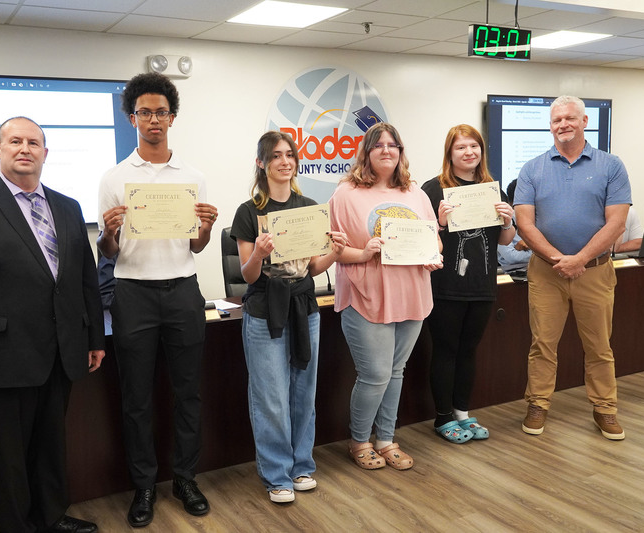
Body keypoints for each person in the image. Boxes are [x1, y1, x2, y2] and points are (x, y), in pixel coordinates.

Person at [0, 117, 105, 533]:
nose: (24, 148)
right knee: (7, 453)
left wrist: (93, 337)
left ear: (45, 152)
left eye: (33, 142)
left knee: (50, 445)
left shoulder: (67, 206)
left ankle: (52, 516)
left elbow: (85, 280)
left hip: (61, 351)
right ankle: (16, 526)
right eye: (15, 141)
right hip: (0, 355)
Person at [97, 72, 217, 526]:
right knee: (137, 397)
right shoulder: (115, 178)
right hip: (133, 294)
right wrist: (109, 234)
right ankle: (144, 485)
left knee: (189, 393)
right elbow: (109, 253)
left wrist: (204, 227)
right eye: (144, 112)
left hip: (184, 290)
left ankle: (185, 478)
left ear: (172, 118)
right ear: (132, 119)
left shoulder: (193, 176)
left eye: (161, 112)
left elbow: (196, 247)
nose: (153, 120)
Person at [230, 131, 346, 504]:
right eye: (275, 156)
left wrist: (335, 253)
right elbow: (248, 276)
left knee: (302, 391)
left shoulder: (308, 206)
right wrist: (259, 255)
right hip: (265, 312)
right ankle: (275, 474)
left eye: (290, 155)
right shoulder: (249, 212)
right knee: (271, 397)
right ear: (262, 164)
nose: (285, 161)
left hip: (304, 309)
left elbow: (312, 267)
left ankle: (301, 466)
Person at [514, 95, 631, 440]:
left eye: (569, 118)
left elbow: (616, 223)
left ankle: (605, 409)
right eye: (556, 120)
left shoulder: (611, 165)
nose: (562, 125)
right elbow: (525, 224)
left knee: (599, 346)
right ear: (550, 126)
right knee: (542, 345)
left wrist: (578, 259)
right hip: (545, 274)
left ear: (584, 122)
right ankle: (538, 404)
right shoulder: (532, 168)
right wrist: (558, 260)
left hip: (594, 271)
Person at [329, 122, 442, 470]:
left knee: (396, 372)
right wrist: (365, 251)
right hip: (367, 295)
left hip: (412, 294)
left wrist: (433, 254)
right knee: (375, 375)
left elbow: (433, 239)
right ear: (366, 152)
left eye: (394, 145)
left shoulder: (416, 194)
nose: (387, 150)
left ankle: (387, 439)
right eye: (378, 145)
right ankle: (359, 441)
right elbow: (334, 250)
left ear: (401, 152)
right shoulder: (346, 194)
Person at [421, 125, 516, 444]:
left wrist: (507, 220)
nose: (468, 152)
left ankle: (462, 412)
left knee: (469, 351)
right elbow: (424, 241)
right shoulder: (433, 189)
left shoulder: (492, 189)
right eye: (460, 147)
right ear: (450, 153)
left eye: (474, 146)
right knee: (446, 350)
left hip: (483, 285)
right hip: (445, 286)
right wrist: (441, 222)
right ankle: (443, 417)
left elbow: (505, 239)